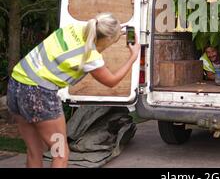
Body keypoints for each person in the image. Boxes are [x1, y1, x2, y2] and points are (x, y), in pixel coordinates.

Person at [6, 12, 140, 168]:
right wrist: (133, 56)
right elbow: (111, 81)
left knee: (34, 151)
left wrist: (113, 30)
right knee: (61, 154)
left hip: (16, 85)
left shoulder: (73, 28)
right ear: (108, 39)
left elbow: (93, 34)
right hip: (38, 96)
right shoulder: (91, 57)